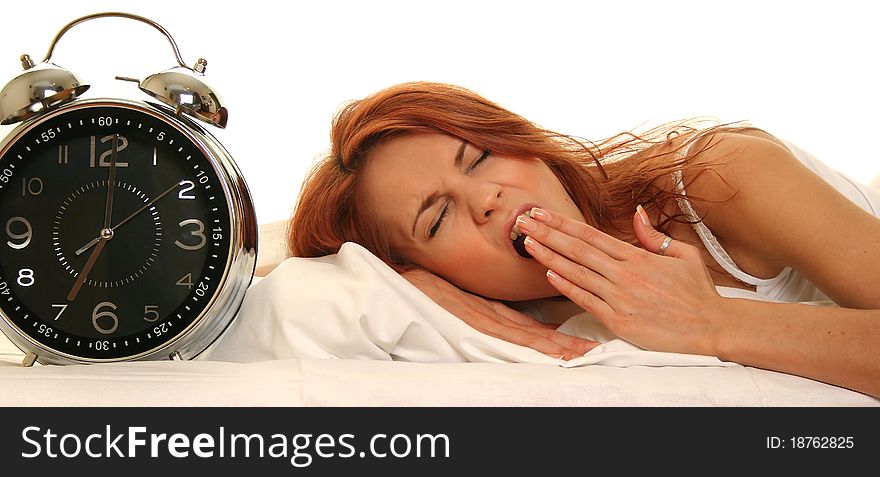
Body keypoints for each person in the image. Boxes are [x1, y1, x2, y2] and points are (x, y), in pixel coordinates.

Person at [287, 81, 880, 398]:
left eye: (480, 157)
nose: (485, 197)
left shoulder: (720, 177)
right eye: (436, 221)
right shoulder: (454, 302)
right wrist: (406, 285)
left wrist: (709, 322)